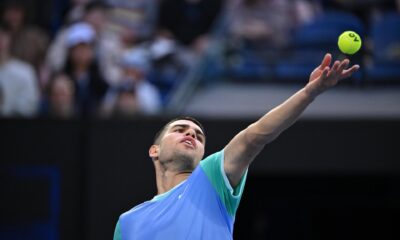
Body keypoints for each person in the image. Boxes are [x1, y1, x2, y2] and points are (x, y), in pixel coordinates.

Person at [113, 53, 359, 239]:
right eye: (179, 130)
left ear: (202, 156)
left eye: (198, 136)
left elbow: (254, 136)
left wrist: (309, 92)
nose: (191, 134)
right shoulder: (128, 222)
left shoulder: (210, 178)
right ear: (154, 150)